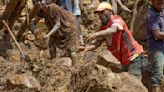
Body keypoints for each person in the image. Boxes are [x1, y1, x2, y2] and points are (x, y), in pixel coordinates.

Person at [79, 2, 147, 80]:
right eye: (99, 14)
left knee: (134, 83)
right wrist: (86, 48)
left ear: (110, 11)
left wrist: (95, 34)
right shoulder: (103, 28)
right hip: (125, 60)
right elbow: (97, 44)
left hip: (134, 56)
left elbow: (113, 30)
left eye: (102, 12)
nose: (100, 16)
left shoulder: (116, 19)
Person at [146, 0, 164, 91]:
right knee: (158, 72)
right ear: (152, 3)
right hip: (156, 48)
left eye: (162, 3)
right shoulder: (151, 15)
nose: (161, 6)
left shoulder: (162, 11)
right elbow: (157, 35)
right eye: (158, 4)